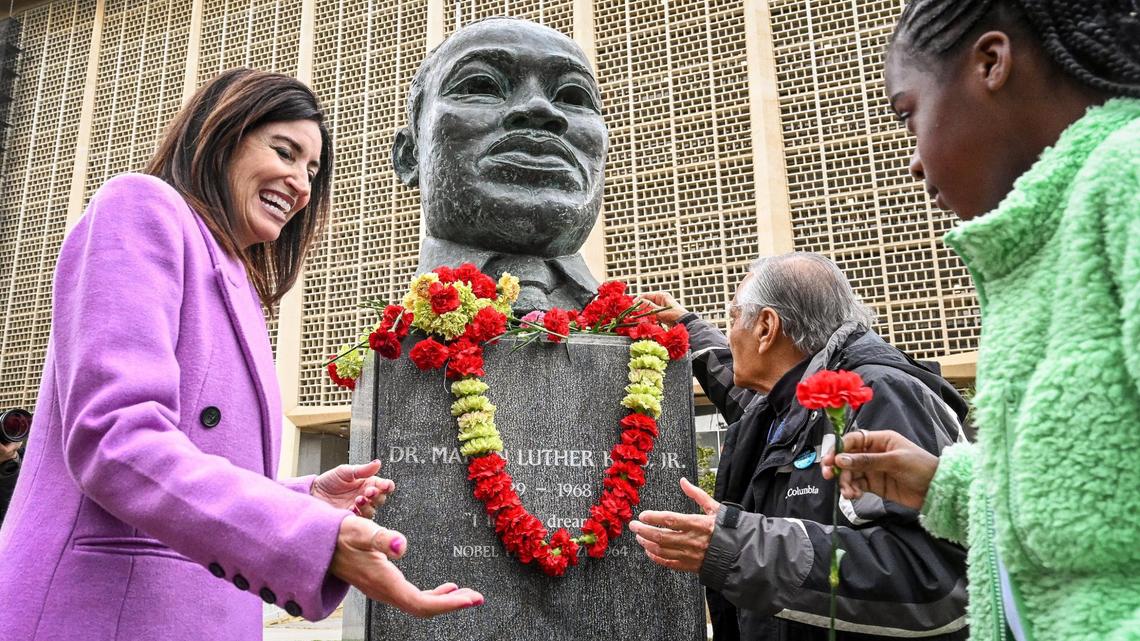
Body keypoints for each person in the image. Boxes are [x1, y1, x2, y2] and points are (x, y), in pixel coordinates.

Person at [0, 69, 482, 641]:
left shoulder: (238, 282)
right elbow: (116, 439)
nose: (301, 184)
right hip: (102, 611)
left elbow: (195, 467)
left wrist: (304, 498)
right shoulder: (141, 207)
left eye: (312, 170)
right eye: (284, 151)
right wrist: (309, 536)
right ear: (221, 134)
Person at [821, 1, 1140, 640]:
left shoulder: (1125, 180)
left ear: (991, 64)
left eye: (909, 117)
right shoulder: (1033, 249)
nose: (912, 161)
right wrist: (950, 485)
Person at [631, 252, 970, 640]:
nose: (730, 334)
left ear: (766, 327)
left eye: (733, 319)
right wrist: (688, 327)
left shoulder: (876, 396)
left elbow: (936, 581)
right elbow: (750, 398)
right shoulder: (788, 406)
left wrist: (741, 547)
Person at [392, 17, 607, 312]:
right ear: (409, 156)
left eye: (572, 95)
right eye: (483, 85)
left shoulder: (653, 337)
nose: (539, 108)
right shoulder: (389, 344)